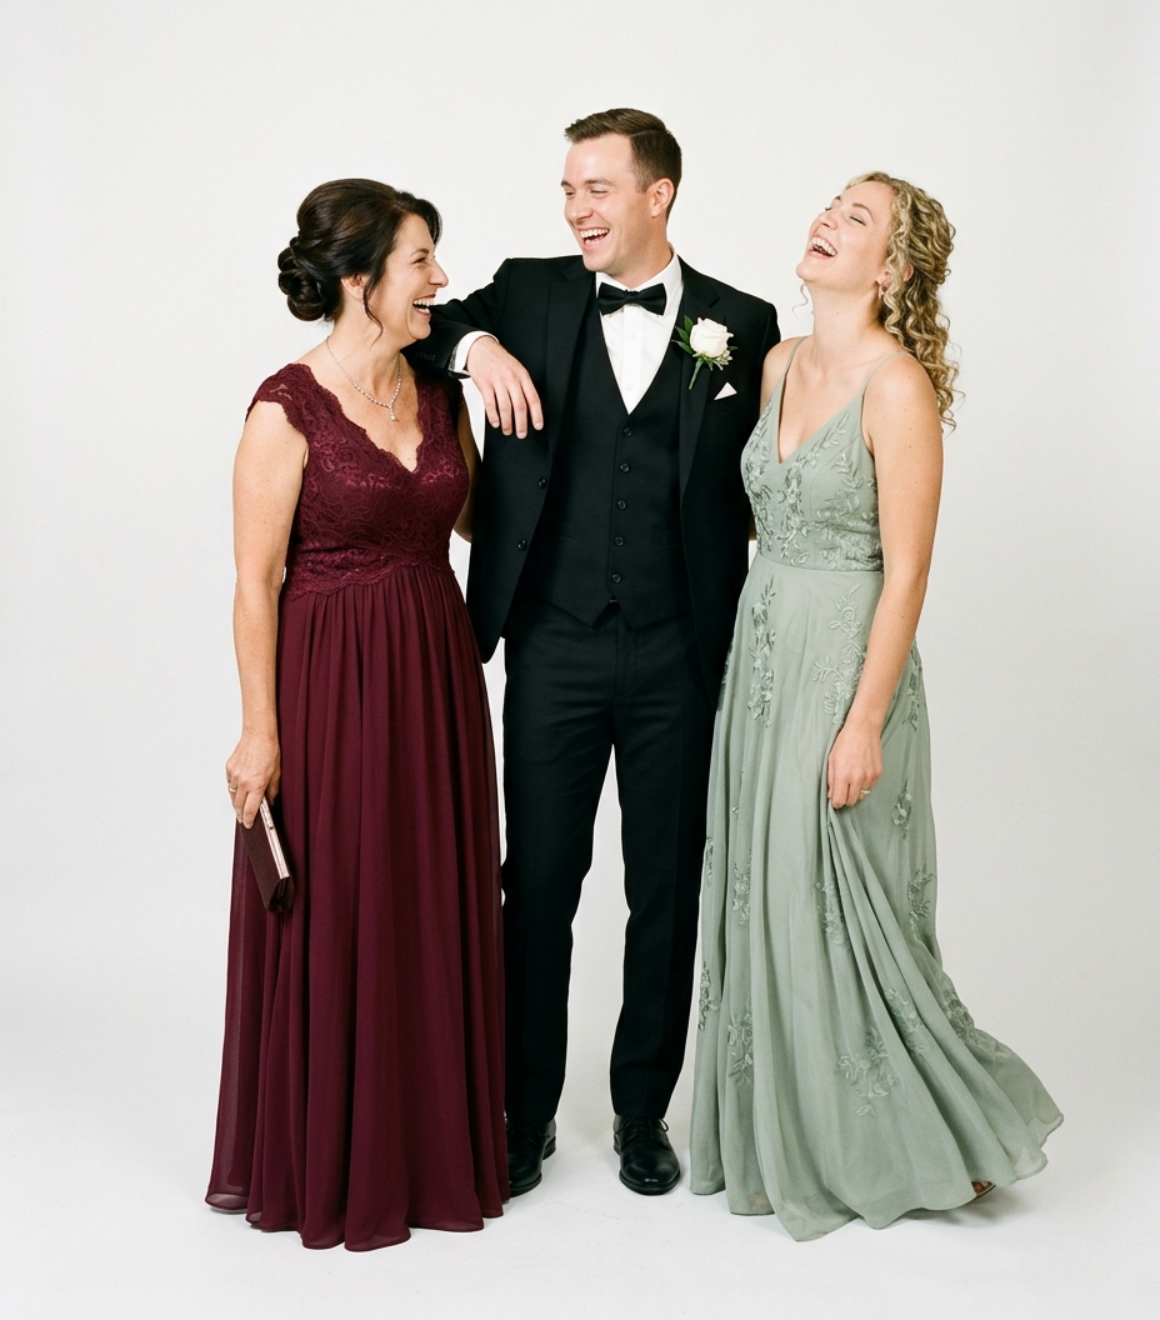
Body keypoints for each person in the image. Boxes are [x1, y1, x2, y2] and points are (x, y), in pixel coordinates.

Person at [414, 109, 779, 1197]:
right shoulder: (527, 293)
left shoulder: (740, 322)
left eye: (597, 189)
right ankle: (522, 1112)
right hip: (553, 646)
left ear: (657, 195)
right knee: (537, 884)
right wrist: (476, 347)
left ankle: (640, 1113)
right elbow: (420, 322)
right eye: (568, 190)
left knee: (665, 889)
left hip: (680, 653)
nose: (576, 209)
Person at [689, 173, 1062, 1240]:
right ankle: (790, 1129)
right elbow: (760, 515)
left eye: (855, 219)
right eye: (829, 205)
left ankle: (936, 1132)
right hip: (763, 649)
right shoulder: (772, 364)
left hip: (845, 663)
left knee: (843, 897)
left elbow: (907, 571)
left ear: (891, 270)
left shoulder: (895, 387)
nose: (825, 221)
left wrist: (860, 722)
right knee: (766, 885)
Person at [205, 179, 508, 1249]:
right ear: (357, 279)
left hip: (435, 675)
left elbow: (480, 519)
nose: (440, 279)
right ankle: (337, 1157)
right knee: (341, 901)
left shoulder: (436, 392)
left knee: (426, 893)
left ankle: (428, 1147)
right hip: (329, 681)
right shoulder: (283, 407)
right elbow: (255, 582)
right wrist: (260, 731)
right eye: (420, 260)